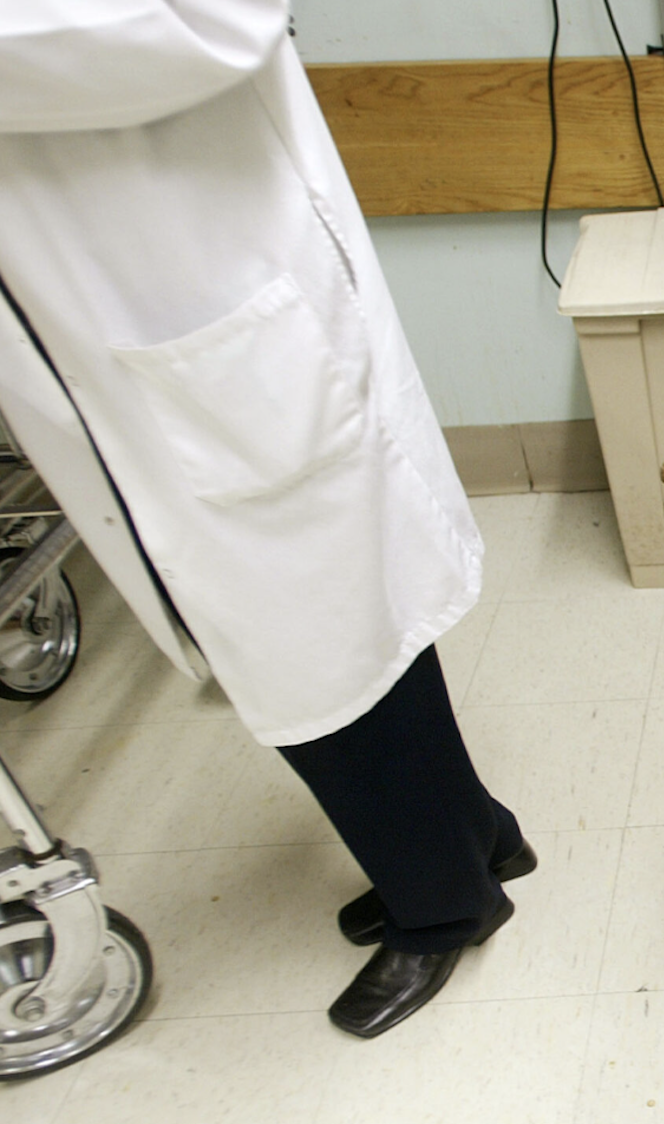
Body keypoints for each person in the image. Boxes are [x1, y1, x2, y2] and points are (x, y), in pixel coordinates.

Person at [0, 0, 527, 1039]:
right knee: (342, 622)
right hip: (153, 337)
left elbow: (211, 22)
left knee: (317, 644)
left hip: (212, 324)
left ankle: (443, 907)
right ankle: (475, 836)